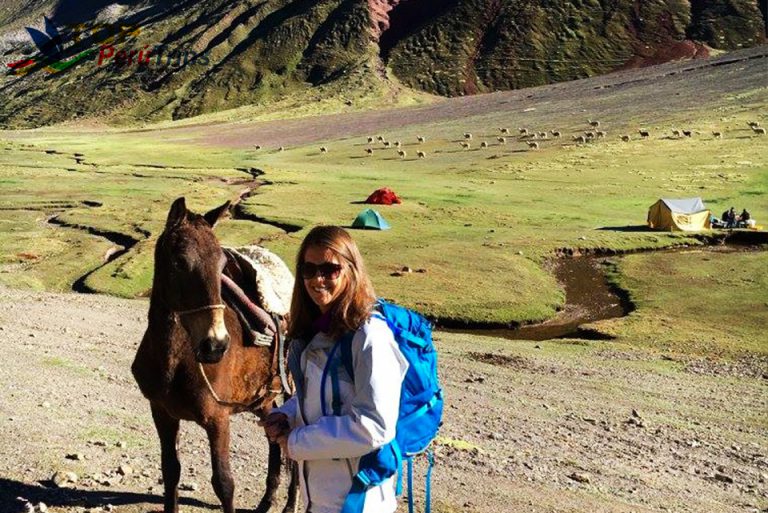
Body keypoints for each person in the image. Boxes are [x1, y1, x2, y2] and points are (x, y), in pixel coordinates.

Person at [260, 225, 408, 513]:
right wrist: (286, 415)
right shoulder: (317, 333)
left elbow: (374, 426)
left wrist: (296, 442)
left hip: (360, 500)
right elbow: (320, 396)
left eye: (330, 269)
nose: (317, 279)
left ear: (351, 270)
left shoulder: (369, 336)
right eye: (308, 269)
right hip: (320, 498)